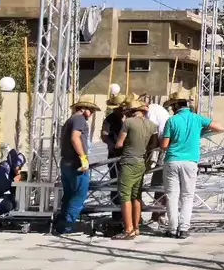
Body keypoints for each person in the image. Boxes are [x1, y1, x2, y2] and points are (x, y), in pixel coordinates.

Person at [160, 90, 224, 239]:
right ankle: (183, 229)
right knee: (187, 196)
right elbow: (220, 128)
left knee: (172, 196)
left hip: (172, 160)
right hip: (190, 162)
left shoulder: (171, 120)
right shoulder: (197, 118)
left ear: (176, 106)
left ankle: (172, 228)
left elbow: (164, 145)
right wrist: (201, 132)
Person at [112, 99, 158, 239]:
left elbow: (119, 144)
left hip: (128, 161)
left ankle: (128, 229)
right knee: (136, 195)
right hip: (141, 162)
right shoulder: (152, 125)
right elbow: (153, 145)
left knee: (124, 195)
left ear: (132, 111)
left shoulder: (128, 122)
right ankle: (136, 227)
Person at [54, 99, 101, 235]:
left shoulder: (70, 120)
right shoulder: (79, 119)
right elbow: (75, 138)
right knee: (79, 195)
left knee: (69, 195)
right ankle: (68, 226)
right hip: (76, 163)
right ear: (83, 108)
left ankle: (62, 223)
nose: (92, 113)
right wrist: (83, 157)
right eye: (91, 110)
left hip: (66, 162)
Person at [142, 94, 170, 226]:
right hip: (165, 145)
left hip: (162, 147)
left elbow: (153, 134)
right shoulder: (157, 109)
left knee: (160, 181)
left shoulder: (151, 112)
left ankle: (159, 214)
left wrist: (149, 155)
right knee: (161, 182)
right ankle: (157, 214)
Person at [100, 93, 128, 223]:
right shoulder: (110, 119)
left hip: (127, 155)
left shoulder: (128, 118)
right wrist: (111, 144)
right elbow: (104, 135)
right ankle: (117, 215)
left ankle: (126, 215)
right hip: (115, 155)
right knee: (115, 185)